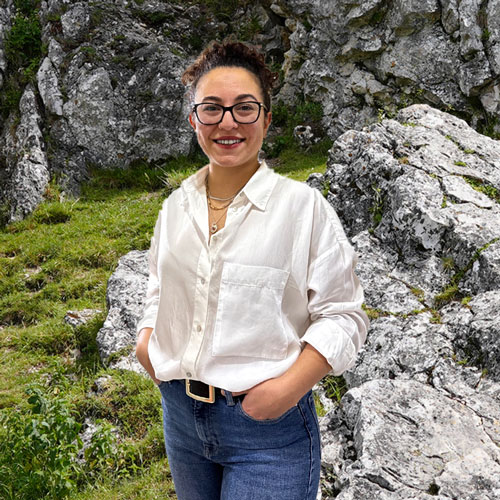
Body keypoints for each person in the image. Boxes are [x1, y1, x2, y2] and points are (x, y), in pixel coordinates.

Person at [135, 39, 369, 500]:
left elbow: (344, 315)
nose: (228, 123)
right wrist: (147, 340)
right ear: (194, 120)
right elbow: (159, 288)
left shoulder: (303, 209)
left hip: (266, 430)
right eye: (212, 109)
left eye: (244, 108)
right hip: (180, 417)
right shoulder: (175, 208)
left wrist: (284, 391)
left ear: (265, 117)